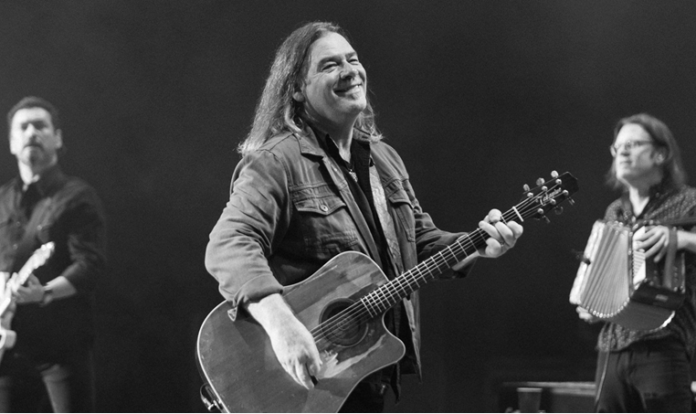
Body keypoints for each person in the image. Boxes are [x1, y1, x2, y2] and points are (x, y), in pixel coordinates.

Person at [204, 21, 523, 413]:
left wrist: (479, 244)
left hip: (362, 377)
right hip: (301, 382)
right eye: (330, 65)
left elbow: (419, 244)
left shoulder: (385, 160)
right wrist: (282, 326)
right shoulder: (277, 162)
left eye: (353, 60)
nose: (350, 71)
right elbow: (229, 244)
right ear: (297, 89)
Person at [576, 113, 696, 413]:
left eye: (632, 145)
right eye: (618, 147)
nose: (622, 153)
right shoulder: (615, 211)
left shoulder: (688, 202)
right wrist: (593, 302)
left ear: (660, 154)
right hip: (612, 346)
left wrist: (681, 238)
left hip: (664, 341)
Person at [0, 96, 106, 413]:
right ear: (11, 142)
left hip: (61, 346)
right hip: (7, 348)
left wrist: (44, 293)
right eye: (23, 127)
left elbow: (89, 266)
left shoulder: (76, 196)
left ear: (57, 138)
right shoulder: (3, 200)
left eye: (40, 125)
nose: (32, 132)